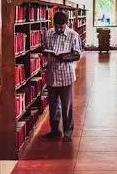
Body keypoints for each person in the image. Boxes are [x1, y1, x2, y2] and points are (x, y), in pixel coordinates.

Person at [42, 11, 82, 142]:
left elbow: (77, 54)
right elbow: (45, 49)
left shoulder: (73, 35)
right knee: (53, 106)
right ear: (54, 24)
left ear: (66, 24)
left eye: (61, 27)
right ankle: (54, 131)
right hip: (52, 75)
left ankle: (68, 133)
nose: (59, 29)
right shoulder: (48, 33)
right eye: (57, 26)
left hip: (66, 76)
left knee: (67, 106)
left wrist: (64, 56)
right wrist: (47, 52)